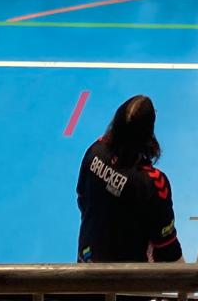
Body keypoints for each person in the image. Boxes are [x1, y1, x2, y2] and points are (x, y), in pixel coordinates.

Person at [76, 94, 182, 263]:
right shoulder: (152, 183)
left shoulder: (95, 151)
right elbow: (167, 248)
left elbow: (82, 199)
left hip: (88, 259)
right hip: (129, 274)